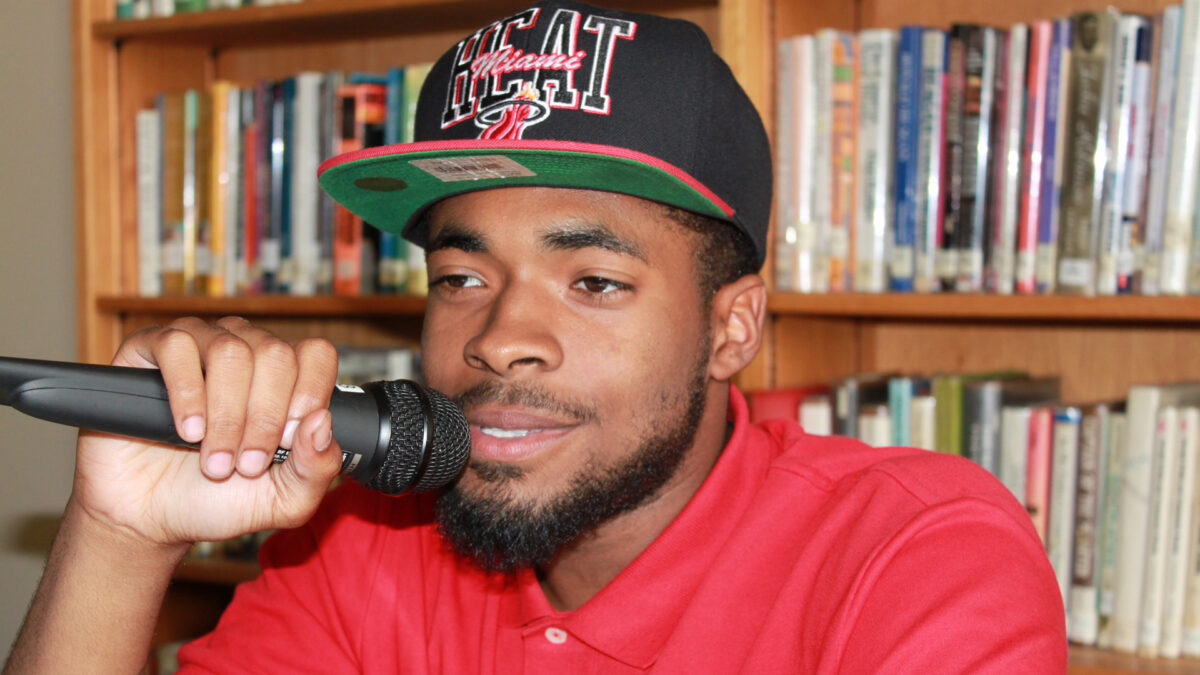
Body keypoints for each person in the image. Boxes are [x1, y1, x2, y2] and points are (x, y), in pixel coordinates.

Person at [5, 1, 1067, 672]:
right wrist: (122, 533)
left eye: (594, 281)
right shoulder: (360, 542)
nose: (502, 337)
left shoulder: (910, 554)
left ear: (730, 327)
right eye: (462, 275)